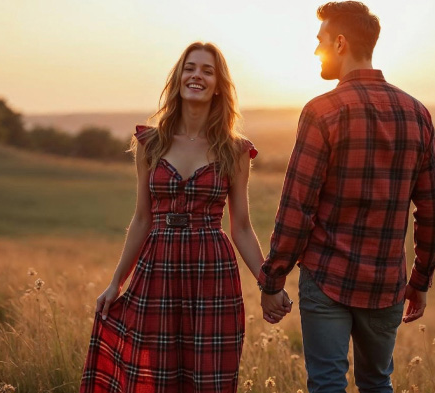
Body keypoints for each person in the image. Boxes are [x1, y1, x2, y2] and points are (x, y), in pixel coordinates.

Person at [79, 42, 291, 393]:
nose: (197, 75)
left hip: (212, 273)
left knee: (210, 377)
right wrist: (116, 282)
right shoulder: (151, 144)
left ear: (219, 84)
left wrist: (268, 283)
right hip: (157, 269)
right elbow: (142, 220)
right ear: (179, 77)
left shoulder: (235, 150)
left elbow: (240, 227)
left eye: (207, 71)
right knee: (152, 374)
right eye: (190, 68)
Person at [257, 2, 435, 392]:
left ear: (340, 43)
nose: (315, 51)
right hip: (387, 282)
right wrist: (420, 279)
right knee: (378, 383)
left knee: (326, 385)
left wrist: (272, 279)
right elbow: (430, 211)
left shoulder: (322, 111)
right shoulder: (417, 113)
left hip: (327, 278)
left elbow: (297, 207)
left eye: (320, 41)